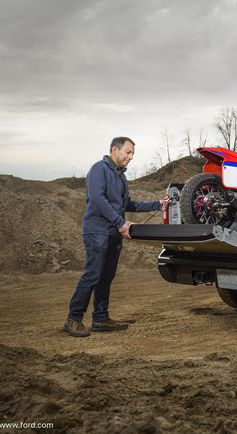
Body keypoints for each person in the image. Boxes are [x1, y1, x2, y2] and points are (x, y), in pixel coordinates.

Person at [64, 137, 167, 337]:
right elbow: (97, 199)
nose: (131, 157)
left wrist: (157, 204)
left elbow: (127, 204)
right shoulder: (98, 169)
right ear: (114, 149)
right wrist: (120, 223)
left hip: (113, 233)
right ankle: (73, 319)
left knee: (106, 276)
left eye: (133, 154)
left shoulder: (121, 177)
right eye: (128, 152)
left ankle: (100, 319)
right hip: (97, 230)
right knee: (93, 274)